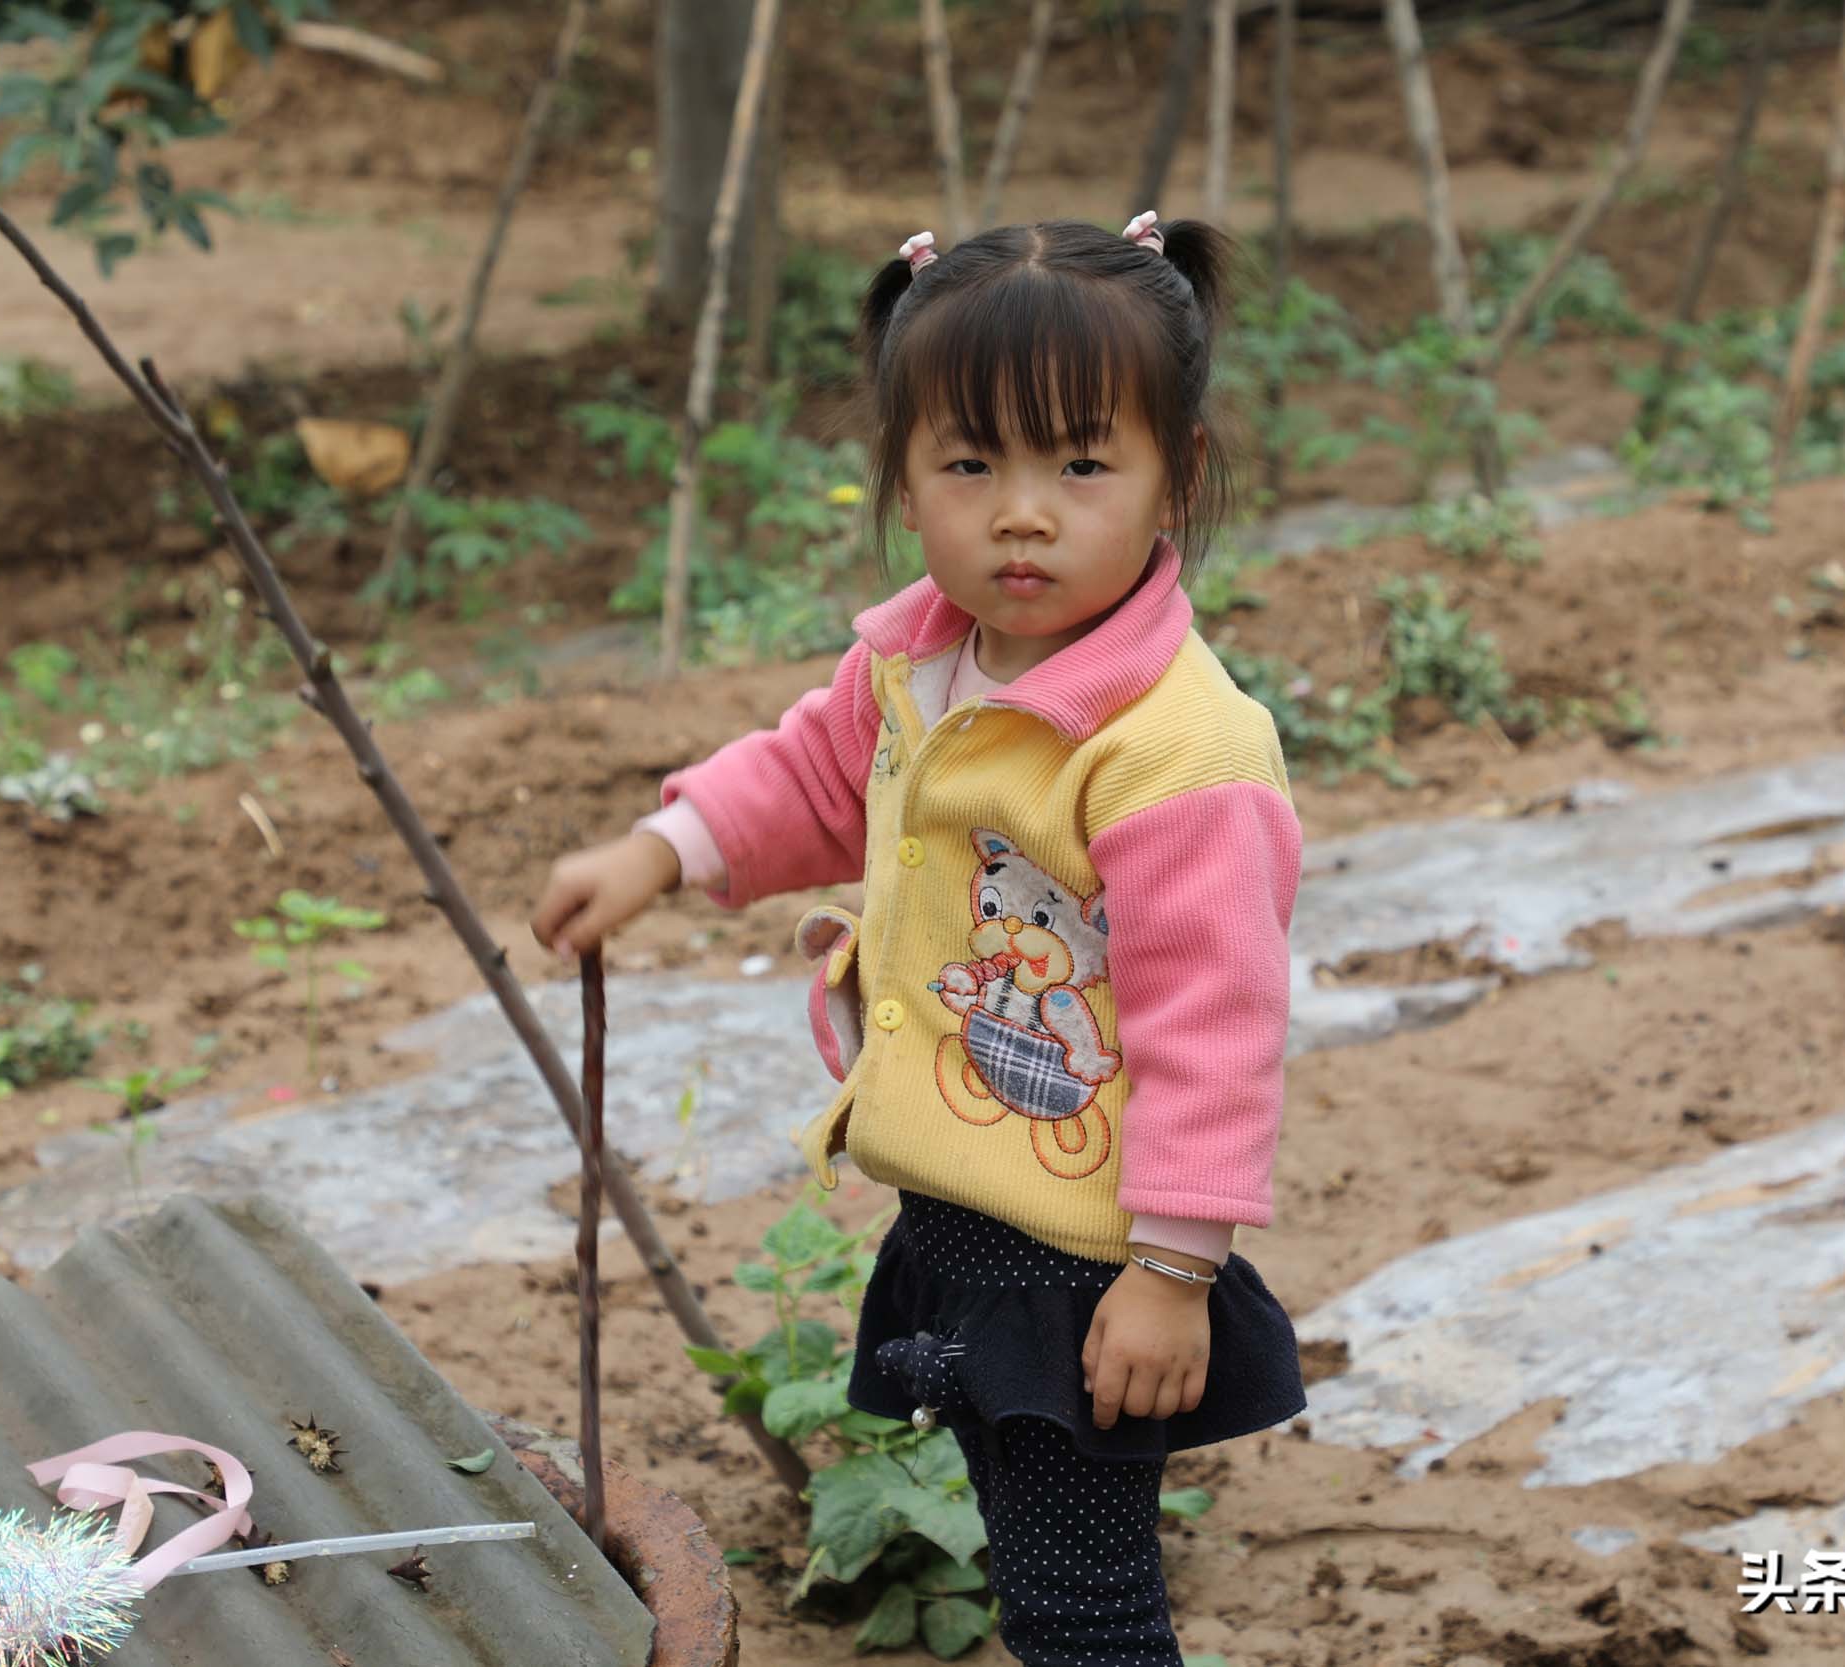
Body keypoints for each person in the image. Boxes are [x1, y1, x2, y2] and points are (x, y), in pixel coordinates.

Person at [531, 211, 1305, 1665]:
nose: (1023, 512)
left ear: (1174, 478)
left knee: (1086, 1609)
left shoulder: (1178, 754)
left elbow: (1217, 1025)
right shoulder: (920, 662)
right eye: (971, 464)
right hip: (964, 1213)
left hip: (1093, 1250)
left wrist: (1175, 1272)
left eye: (1082, 463)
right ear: (903, 477)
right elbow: (814, 779)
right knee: (1029, 1556)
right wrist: (661, 848)